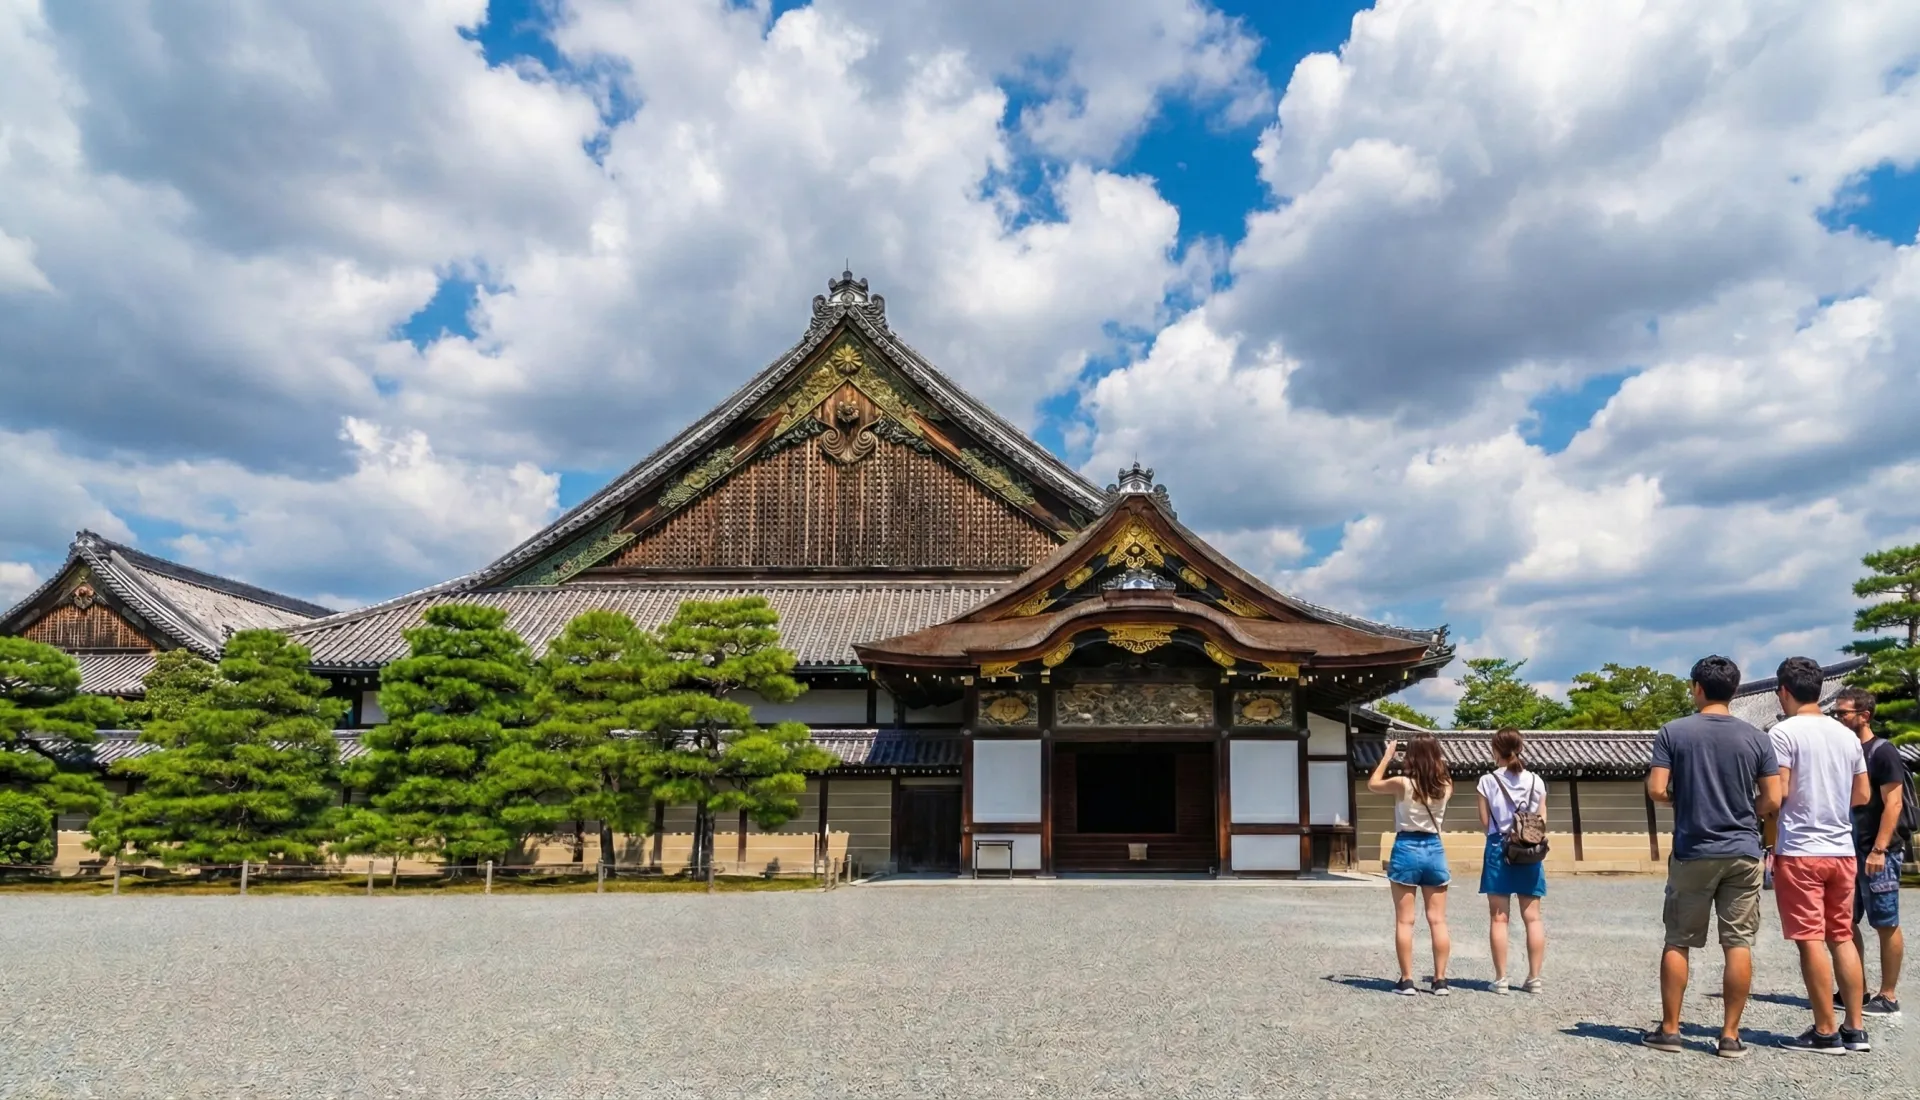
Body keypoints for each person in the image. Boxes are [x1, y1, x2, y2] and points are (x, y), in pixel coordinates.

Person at [1643, 655, 1781, 1060]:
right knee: (1737, 942)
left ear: (1696, 688)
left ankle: (1670, 1030)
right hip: (1742, 849)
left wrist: (1684, 801)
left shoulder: (1674, 732)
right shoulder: (1757, 738)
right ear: (1735, 692)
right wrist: (1742, 810)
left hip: (1693, 849)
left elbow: (1655, 788)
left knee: (1679, 941)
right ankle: (1730, 1035)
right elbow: (1773, 798)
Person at [1768, 656, 1872, 1054]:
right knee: (1841, 935)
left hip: (1801, 849)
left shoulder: (1783, 733)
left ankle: (1825, 1030)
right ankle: (1855, 1028)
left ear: (1784, 691)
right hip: (1841, 848)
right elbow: (1862, 794)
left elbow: (1779, 794)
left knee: (1810, 939)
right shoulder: (1846, 735)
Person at [1830, 687, 1904, 1017]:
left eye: (1843, 713)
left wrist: (1879, 849)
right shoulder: (1843, 751)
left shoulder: (1882, 751)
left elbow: (1894, 802)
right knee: (1845, 921)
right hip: (1847, 849)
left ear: (1864, 716)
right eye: (1835, 713)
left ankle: (1888, 994)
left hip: (1877, 851)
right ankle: (1855, 988)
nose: (1837, 718)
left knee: (1885, 921)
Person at [1369, 733, 1453, 996]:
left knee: (1405, 921)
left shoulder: (1403, 783)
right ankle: (1440, 980)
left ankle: (1407, 980)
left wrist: (1387, 756)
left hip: (1406, 847)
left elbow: (1373, 784)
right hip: (1434, 849)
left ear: (1411, 755)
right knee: (1437, 920)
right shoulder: (1446, 784)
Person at [1477, 728, 1546, 994]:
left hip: (1499, 848)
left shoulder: (1487, 781)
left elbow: (1486, 822)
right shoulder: (1536, 781)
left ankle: (1501, 978)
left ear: (1496, 749)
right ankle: (1534, 979)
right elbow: (1542, 820)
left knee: (1499, 918)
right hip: (1530, 850)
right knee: (1533, 917)